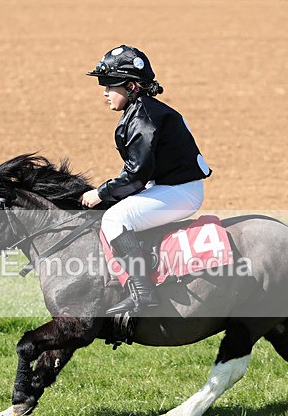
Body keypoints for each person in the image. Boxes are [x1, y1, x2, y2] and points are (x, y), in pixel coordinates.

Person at [80, 45, 212, 315]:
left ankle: (143, 293)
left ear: (131, 86)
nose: (104, 93)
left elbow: (137, 174)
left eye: (110, 85)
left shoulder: (145, 117)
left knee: (114, 219)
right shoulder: (142, 110)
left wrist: (102, 193)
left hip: (180, 192)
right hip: (167, 186)